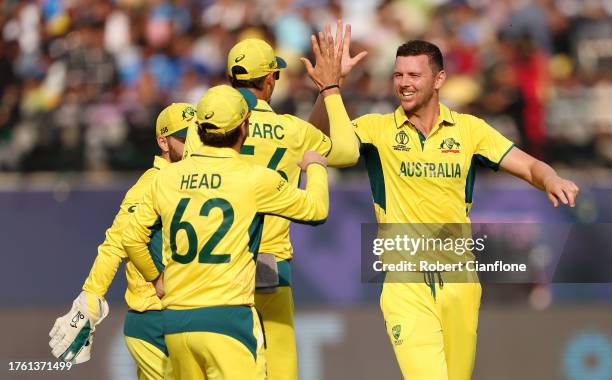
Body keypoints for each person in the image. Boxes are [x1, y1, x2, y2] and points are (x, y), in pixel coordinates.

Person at [310, 39, 579, 380]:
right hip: (405, 282)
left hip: (460, 281)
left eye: (413, 75)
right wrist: (329, 89)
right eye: (398, 75)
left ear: (438, 79)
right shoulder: (376, 130)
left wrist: (550, 178)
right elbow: (317, 143)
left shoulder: (469, 130)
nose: (404, 83)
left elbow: (528, 167)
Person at [182, 22, 360, 380]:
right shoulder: (292, 131)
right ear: (268, 81)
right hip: (269, 263)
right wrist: (330, 89)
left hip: (211, 267)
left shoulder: (200, 127)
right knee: (279, 368)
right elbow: (347, 150)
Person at [122, 85, 330, 380]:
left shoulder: (167, 178)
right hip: (228, 319)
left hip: (176, 322)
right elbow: (316, 210)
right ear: (243, 127)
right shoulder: (253, 179)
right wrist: (316, 168)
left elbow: (131, 237)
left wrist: (156, 277)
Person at [48, 103, 195, 379]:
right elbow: (116, 242)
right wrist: (92, 296)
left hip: (183, 313)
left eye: (198, 136)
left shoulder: (196, 179)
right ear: (163, 141)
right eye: (185, 138)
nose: (193, 145)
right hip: (154, 314)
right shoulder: (151, 183)